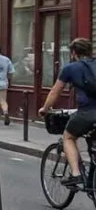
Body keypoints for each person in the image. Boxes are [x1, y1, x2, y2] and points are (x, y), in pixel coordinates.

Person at [39, 39, 96, 189]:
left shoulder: (71, 68)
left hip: (88, 113)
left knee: (69, 137)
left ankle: (76, 174)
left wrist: (45, 108)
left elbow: (55, 92)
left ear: (73, 53)